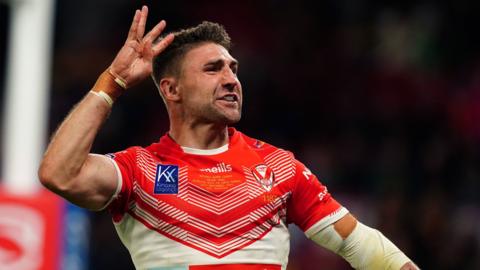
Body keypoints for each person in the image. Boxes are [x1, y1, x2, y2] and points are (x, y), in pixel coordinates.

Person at [39, 5, 419, 270]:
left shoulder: (278, 167)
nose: (231, 79)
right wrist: (113, 82)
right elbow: (60, 173)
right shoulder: (139, 170)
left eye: (233, 68)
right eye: (212, 68)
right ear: (172, 90)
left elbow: (360, 244)